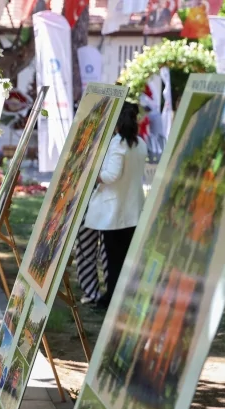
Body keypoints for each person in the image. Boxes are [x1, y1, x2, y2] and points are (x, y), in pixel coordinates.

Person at [83, 104, 148, 308]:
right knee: (126, 257)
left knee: (114, 259)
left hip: (113, 211)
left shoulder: (118, 143)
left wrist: (91, 173)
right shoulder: (140, 143)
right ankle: (123, 297)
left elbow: (111, 176)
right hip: (133, 209)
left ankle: (112, 298)